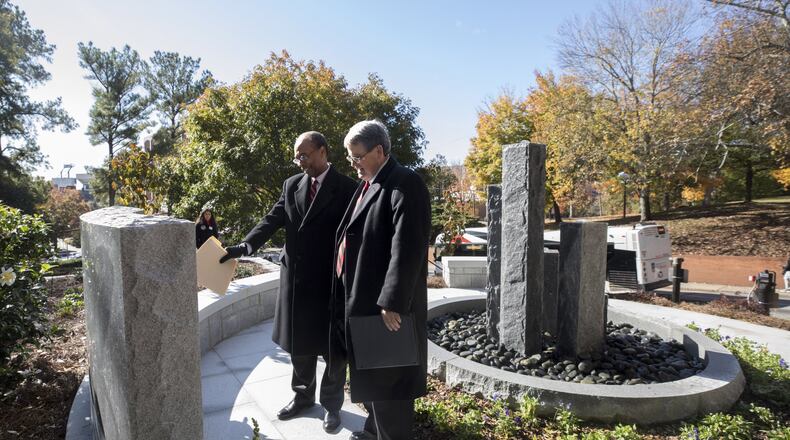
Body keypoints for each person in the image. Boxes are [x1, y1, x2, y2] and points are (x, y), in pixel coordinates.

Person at [219, 131, 357, 433]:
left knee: (334, 351)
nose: (299, 162)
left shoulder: (349, 188)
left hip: (332, 284)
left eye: (304, 155)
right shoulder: (292, 185)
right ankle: (303, 397)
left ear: (322, 151)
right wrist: (245, 247)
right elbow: (273, 219)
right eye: (297, 156)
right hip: (296, 280)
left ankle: (332, 406)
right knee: (299, 346)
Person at [330, 120, 431, 440]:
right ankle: (373, 431)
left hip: (386, 310)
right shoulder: (369, 182)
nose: (353, 163)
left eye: (357, 156)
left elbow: (409, 247)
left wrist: (392, 301)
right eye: (349, 157)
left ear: (378, 150)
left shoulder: (405, 182)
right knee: (374, 380)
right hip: (363, 300)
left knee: (391, 391)